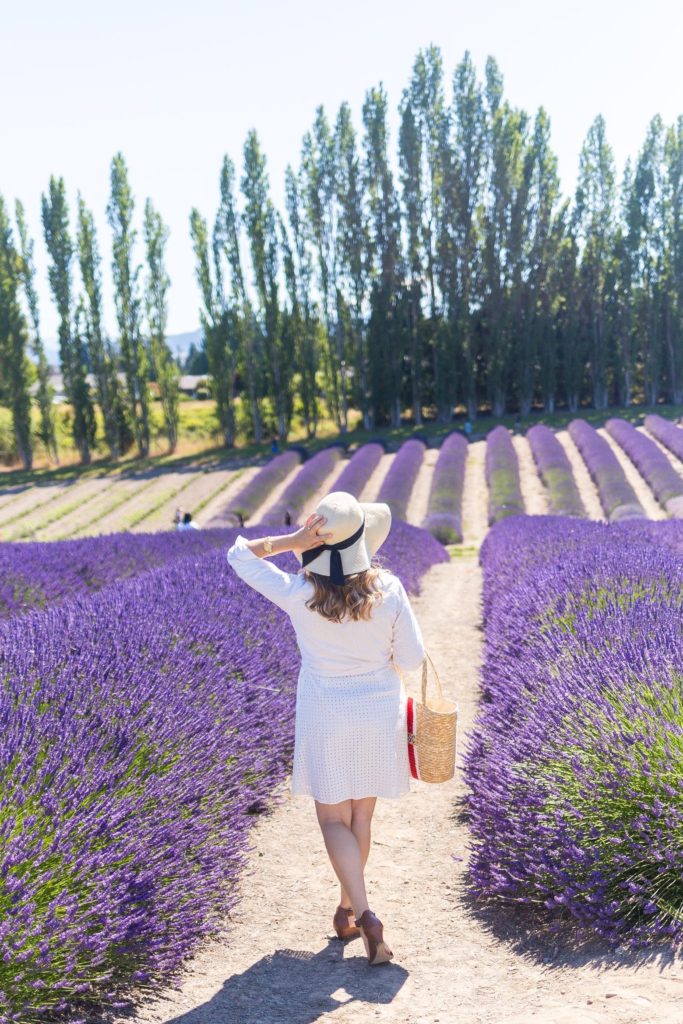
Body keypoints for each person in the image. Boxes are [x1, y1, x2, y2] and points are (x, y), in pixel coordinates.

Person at [227, 491, 425, 966]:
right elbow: (413, 659)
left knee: (333, 820)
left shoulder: (298, 591)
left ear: (316, 544)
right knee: (360, 819)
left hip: (327, 711)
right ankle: (348, 911)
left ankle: (365, 914)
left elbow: (238, 555)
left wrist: (289, 540)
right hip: (379, 710)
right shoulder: (389, 589)